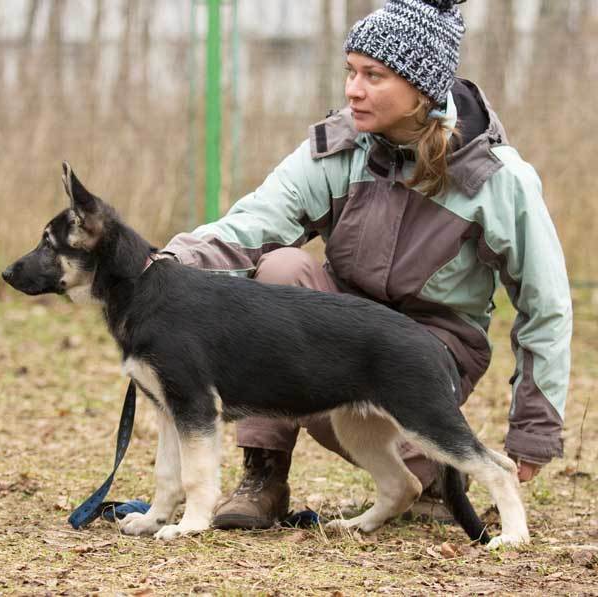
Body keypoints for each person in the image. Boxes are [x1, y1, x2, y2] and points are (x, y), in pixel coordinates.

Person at [162, 0, 572, 529]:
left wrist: (533, 431)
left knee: (422, 432)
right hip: (340, 339)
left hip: (431, 351)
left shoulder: (497, 180)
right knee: (282, 269)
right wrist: (168, 262)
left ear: (422, 90)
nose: (353, 89)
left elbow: (546, 306)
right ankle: (264, 473)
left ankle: (434, 469)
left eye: (373, 75)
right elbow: (253, 227)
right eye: (350, 72)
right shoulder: (338, 148)